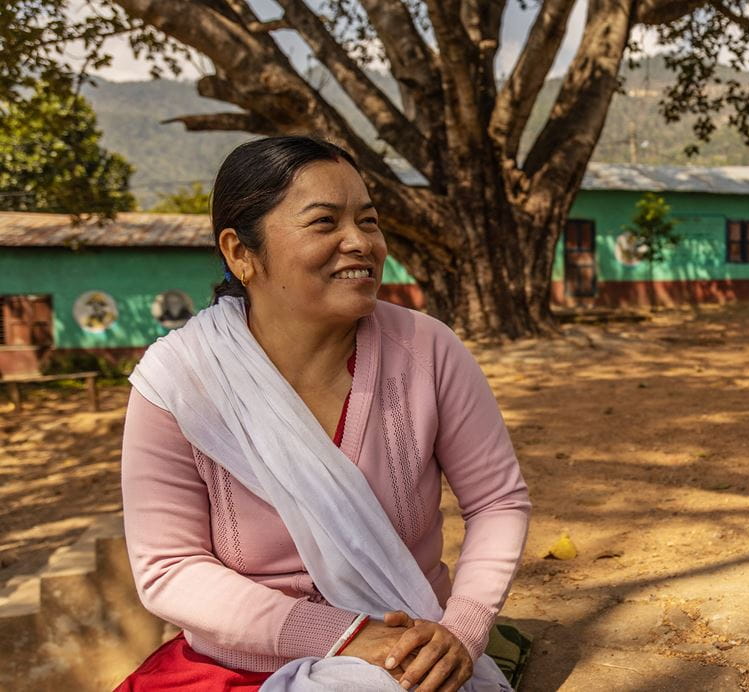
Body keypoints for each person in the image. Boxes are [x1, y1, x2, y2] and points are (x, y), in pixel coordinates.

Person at [116, 136, 530, 691]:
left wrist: (464, 626)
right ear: (242, 253)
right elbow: (170, 569)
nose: (360, 242)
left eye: (369, 221)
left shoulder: (427, 351)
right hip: (235, 667)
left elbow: (497, 501)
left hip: (414, 656)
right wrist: (346, 637)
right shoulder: (179, 381)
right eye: (324, 222)